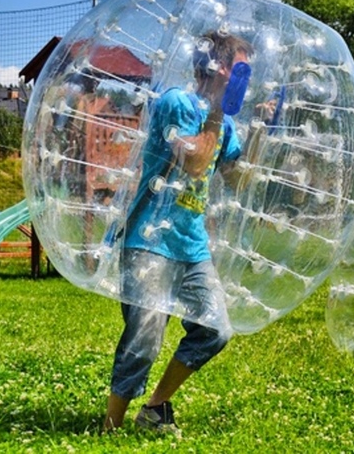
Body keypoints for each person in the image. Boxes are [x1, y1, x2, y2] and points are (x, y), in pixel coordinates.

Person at [103, 31, 256, 433]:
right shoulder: (176, 102)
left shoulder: (226, 125)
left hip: (192, 246)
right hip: (149, 240)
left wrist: (265, 135)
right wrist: (218, 111)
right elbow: (194, 162)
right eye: (241, 71)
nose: (246, 81)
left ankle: (155, 408)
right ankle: (110, 426)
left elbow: (237, 180)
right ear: (218, 68)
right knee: (145, 338)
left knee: (215, 330)